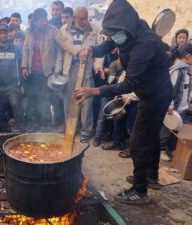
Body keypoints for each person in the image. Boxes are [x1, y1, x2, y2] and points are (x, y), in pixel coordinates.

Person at [75, 0, 173, 204]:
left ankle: (140, 190)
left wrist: (96, 90)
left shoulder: (145, 44)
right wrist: (92, 50)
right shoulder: (126, 32)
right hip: (150, 91)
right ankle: (150, 176)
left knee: (138, 142)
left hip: (155, 96)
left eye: (115, 33)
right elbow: (109, 43)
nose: (113, 37)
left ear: (126, 28)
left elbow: (129, 84)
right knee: (151, 136)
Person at [22, 8, 82, 130]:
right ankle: (38, 124)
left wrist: (78, 53)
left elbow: (64, 43)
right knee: (35, 98)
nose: (44, 22)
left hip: (47, 72)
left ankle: (48, 125)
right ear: (35, 21)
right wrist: (24, 66)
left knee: (47, 99)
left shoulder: (52, 30)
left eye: (45, 19)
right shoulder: (29, 31)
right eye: (41, 20)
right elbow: (26, 49)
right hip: (33, 71)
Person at [55, 7, 104, 142]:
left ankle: (86, 132)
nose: (84, 21)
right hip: (69, 68)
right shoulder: (64, 29)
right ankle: (71, 129)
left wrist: (98, 66)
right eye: (81, 18)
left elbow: (99, 51)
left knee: (86, 102)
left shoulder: (94, 29)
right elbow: (60, 51)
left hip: (87, 69)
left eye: (86, 18)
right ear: (74, 18)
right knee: (69, 101)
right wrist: (58, 70)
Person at [160, 44, 192, 162]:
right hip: (172, 108)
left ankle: (170, 149)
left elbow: (187, 88)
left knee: (176, 130)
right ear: (188, 56)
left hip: (182, 107)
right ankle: (161, 149)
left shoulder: (188, 70)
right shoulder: (177, 70)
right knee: (166, 129)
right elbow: (169, 89)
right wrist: (170, 104)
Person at [0, 24, 24, 132]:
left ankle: (21, 129)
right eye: (1, 33)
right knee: (0, 110)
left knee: (16, 106)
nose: (3, 35)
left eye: (5, 33)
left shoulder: (15, 49)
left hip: (13, 85)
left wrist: (21, 84)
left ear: (8, 34)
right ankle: (3, 131)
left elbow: (20, 67)